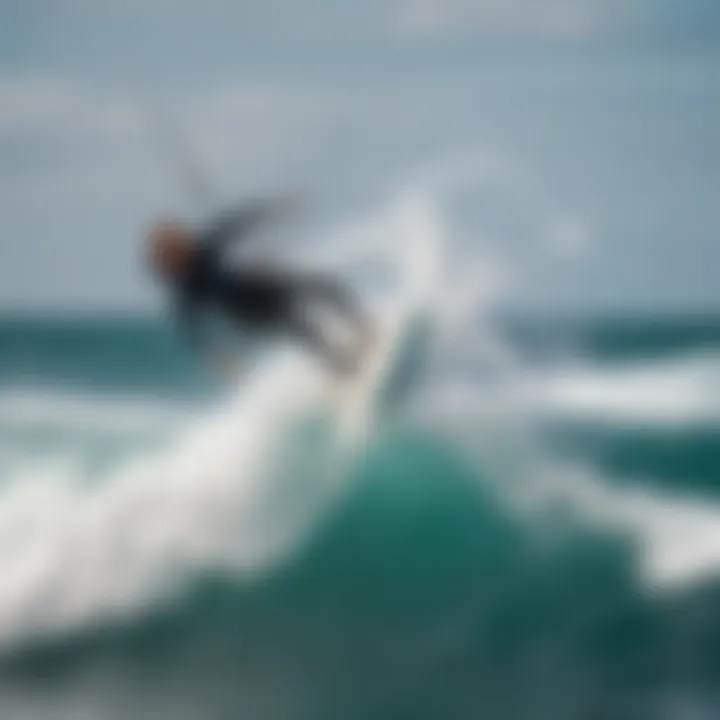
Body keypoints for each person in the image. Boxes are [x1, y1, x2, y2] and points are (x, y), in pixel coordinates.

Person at [147, 197, 374, 376]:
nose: (184, 242)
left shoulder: (205, 245)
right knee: (302, 327)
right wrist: (221, 362)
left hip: (259, 286)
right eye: (175, 247)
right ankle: (345, 369)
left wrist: (276, 208)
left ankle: (364, 328)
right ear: (169, 260)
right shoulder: (186, 290)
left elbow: (237, 222)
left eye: (181, 239)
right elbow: (193, 331)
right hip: (248, 314)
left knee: (325, 285)